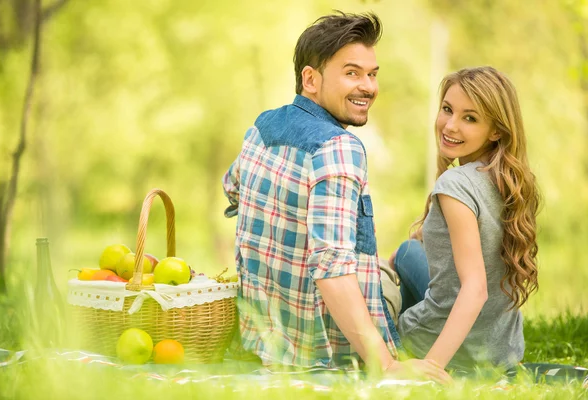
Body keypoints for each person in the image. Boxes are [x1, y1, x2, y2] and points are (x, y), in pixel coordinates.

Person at [222, 11, 450, 383]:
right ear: (310, 79)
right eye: (352, 73)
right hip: (330, 348)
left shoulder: (262, 127)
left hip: (267, 340)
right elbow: (331, 270)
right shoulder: (339, 148)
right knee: (415, 257)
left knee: (397, 258)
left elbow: (232, 187)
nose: (368, 87)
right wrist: (388, 365)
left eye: (372, 74)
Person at [389, 66, 541, 373]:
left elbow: (476, 288)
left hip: (441, 346)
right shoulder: (511, 181)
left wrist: (432, 365)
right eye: (448, 110)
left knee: (377, 278)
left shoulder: (455, 184)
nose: (450, 126)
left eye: (470, 118)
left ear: (496, 130)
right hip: (501, 352)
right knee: (407, 251)